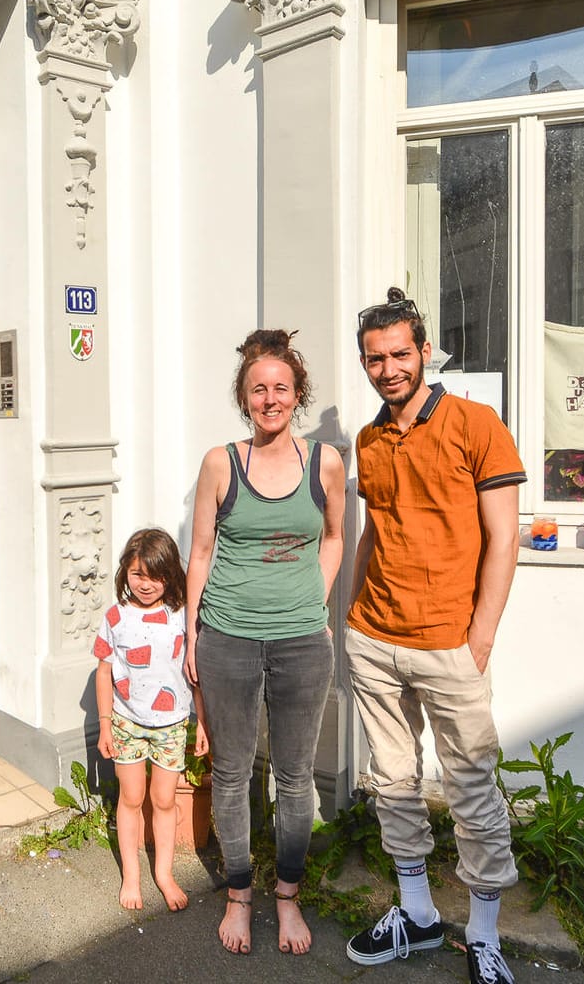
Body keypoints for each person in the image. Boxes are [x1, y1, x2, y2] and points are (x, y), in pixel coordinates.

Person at [341, 290, 524, 984]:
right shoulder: (369, 439)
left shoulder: (477, 424)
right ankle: (416, 914)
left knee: (473, 786)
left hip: (450, 643)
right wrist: (353, 618)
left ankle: (482, 934)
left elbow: (504, 539)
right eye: (374, 359)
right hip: (376, 638)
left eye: (398, 354)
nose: (387, 368)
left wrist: (479, 638)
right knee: (393, 781)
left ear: (423, 351)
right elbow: (376, 534)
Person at [185, 329, 346, 956]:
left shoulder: (325, 463)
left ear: (297, 393)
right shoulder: (220, 463)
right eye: (259, 389)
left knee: (296, 775)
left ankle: (287, 898)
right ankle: (238, 896)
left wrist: (317, 599)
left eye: (281, 388)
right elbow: (200, 553)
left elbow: (333, 538)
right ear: (244, 398)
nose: (270, 399)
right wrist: (194, 634)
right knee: (230, 774)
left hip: (302, 640)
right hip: (227, 635)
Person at [93, 528, 204, 912]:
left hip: (172, 724)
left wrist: (201, 722)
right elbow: (104, 671)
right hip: (127, 722)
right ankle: (132, 876)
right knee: (131, 797)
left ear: (171, 574)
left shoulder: (181, 616)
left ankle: (164, 874)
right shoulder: (115, 617)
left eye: (155, 575)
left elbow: (194, 670)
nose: (146, 584)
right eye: (138, 574)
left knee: (163, 799)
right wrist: (106, 724)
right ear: (125, 571)